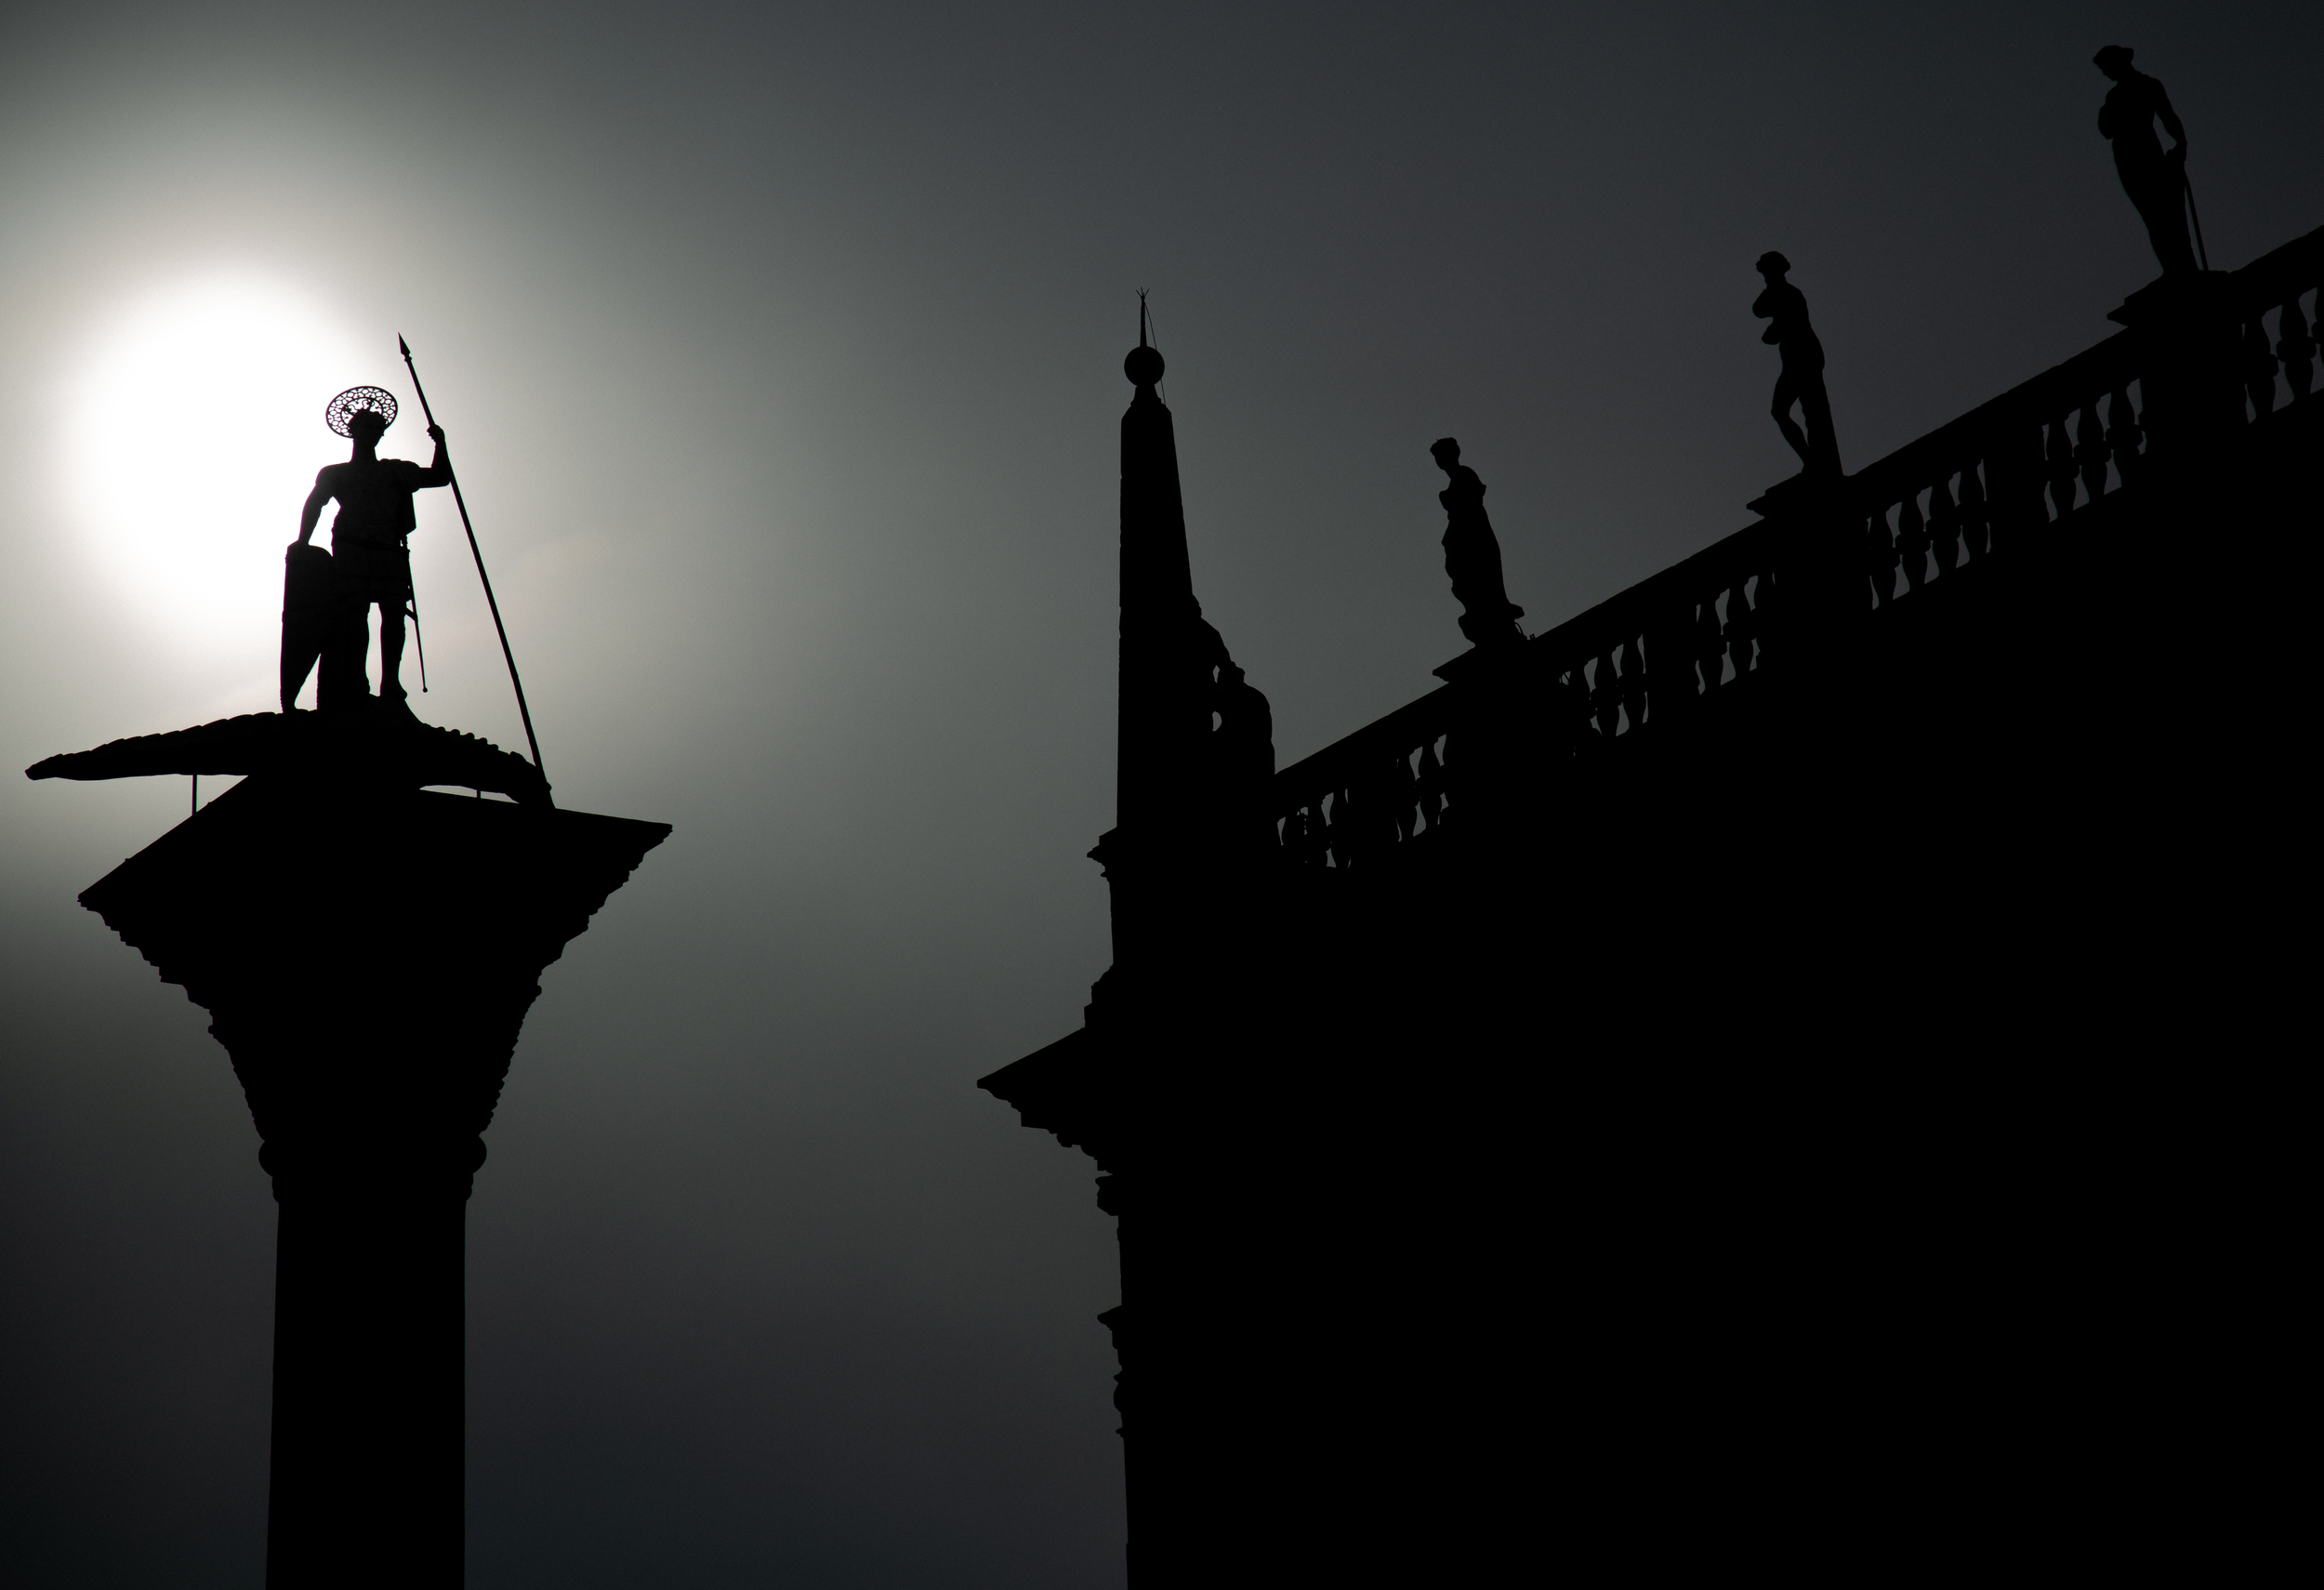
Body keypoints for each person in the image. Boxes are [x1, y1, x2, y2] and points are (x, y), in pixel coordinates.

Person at [295, 398, 449, 707]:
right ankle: (356, 678)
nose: (371, 433)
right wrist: (303, 543)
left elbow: (440, 477)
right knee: (355, 612)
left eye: (377, 428)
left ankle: (390, 681)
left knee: (393, 611)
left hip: (388, 544)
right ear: (353, 431)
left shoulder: (396, 471)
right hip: (352, 544)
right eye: (366, 427)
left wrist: (440, 444)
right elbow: (315, 503)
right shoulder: (334, 473)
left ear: (381, 435)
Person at [2094, 46, 2197, 277]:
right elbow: (2107, 130)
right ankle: (2172, 269)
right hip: (2127, 158)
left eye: (2106, 67)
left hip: (2146, 152)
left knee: (2167, 212)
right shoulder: (2114, 96)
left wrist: (2181, 143)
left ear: (2117, 63)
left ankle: (2184, 268)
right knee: (2152, 216)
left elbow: (2168, 116)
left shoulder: (2148, 85)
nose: (2105, 74)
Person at [1430, 439, 1525, 649]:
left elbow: (1467, 504)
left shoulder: (1465, 475)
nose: (1440, 461)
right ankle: (1482, 614)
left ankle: (1495, 617)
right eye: (1437, 457)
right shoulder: (1457, 480)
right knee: (1467, 582)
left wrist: (1448, 499)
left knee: (1482, 579)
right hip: (1463, 536)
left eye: (1442, 455)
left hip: (1474, 536)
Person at [1752, 252, 1841, 479]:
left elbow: (1784, 322)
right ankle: (1813, 461)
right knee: (1785, 411)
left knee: (1812, 412)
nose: (1764, 277)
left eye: (1766, 272)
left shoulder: (1790, 294)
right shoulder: (1778, 293)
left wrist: (1775, 330)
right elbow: (1759, 309)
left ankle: (1819, 464)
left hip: (1804, 356)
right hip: (1794, 358)